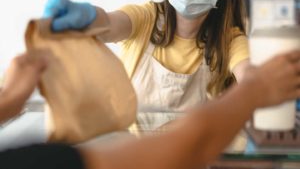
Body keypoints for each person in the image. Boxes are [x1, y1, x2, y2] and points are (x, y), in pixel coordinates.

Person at [1, 49, 300, 169]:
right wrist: (255, 92)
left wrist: (8, 100)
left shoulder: (228, 36)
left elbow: (243, 64)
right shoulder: (148, 15)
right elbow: (191, 146)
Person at [42, 0, 250, 112]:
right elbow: (108, 24)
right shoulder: (145, 18)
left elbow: (247, 73)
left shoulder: (229, 40)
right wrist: (88, 18)